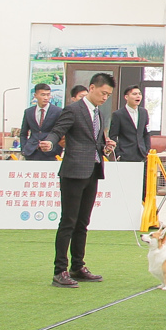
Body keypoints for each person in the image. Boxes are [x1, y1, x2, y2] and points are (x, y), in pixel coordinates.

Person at [52, 72, 115, 288]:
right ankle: (60, 270)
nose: (105, 98)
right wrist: (49, 142)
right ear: (92, 88)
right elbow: (58, 131)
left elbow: (95, 142)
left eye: (108, 95)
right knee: (68, 222)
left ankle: (77, 266)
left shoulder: (98, 113)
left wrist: (106, 146)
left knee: (83, 223)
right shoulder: (73, 110)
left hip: (93, 171)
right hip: (73, 172)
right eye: (103, 93)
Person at [19, 82, 63, 162]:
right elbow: (23, 133)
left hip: (50, 152)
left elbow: (60, 132)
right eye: (43, 95)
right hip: (31, 152)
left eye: (48, 95)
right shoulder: (29, 112)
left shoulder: (58, 111)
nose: (46, 98)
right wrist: (24, 148)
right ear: (35, 95)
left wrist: (57, 149)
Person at [107, 84, 152, 162]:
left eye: (139, 94)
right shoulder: (118, 114)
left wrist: (147, 150)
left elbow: (146, 133)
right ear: (126, 97)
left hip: (142, 154)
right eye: (134, 94)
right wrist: (118, 154)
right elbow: (113, 136)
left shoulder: (144, 112)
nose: (138, 96)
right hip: (125, 155)